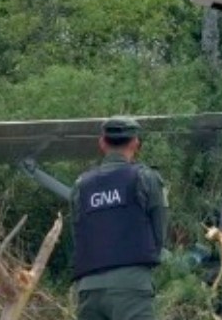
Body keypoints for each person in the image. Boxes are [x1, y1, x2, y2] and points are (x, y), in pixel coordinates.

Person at [70, 116, 168, 320]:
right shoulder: (146, 178)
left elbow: (78, 235)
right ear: (135, 143)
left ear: (102, 143)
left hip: (88, 288)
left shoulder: (81, 186)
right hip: (131, 286)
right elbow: (159, 233)